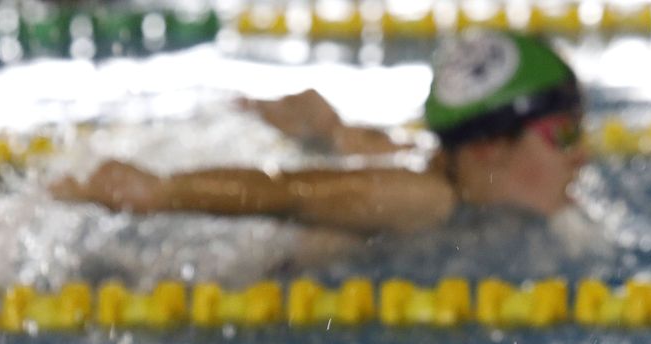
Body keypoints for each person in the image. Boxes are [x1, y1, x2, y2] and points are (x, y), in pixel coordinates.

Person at [48, 30, 589, 234]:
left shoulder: (433, 162)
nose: (582, 156)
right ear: (490, 144)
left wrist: (332, 132)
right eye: (563, 135)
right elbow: (291, 193)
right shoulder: (422, 198)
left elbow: (384, 151)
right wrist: (162, 193)